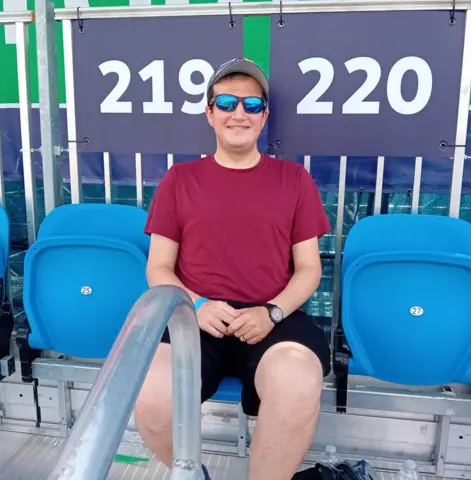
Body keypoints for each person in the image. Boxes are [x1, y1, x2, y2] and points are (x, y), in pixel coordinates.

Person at [135, 57, 332, 480]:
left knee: (298, 384)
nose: (238, 113)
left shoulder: (295, 180)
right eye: (225, 102)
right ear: (209, 113)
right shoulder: (179, 179)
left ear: (264, 116)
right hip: (195, 317)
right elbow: (159, 267)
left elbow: (309, 270)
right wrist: (199, 306)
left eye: (251, 104)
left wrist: (272, 312)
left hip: (272, 319)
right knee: (149, 396)